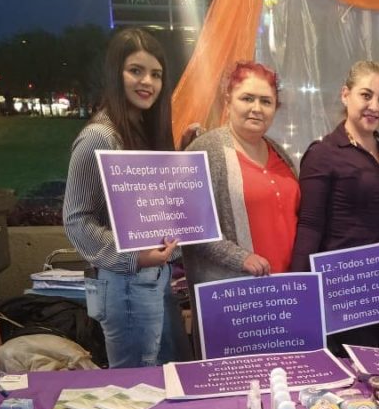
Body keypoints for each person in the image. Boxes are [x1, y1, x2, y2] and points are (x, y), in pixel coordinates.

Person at [63, 28, 186, 368]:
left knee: (168, 376)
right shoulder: (99, 138)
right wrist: (135, 256)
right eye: (135, 70)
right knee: (138, 386)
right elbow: (77, 220)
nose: (147, 82)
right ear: (115, 74)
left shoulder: (145, 133)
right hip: (126, 283)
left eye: (156, 74)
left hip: (158, 278)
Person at [181, 61, 300, 358]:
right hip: (235, 300)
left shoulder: (280, 152)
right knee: (238, 381)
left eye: (266, 101)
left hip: (284, 294)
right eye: (247, 98)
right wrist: (240, 257)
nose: (256, 108)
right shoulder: (204, 150)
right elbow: (188, 225)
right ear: (228, 100)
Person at [291, 60, 379, 354]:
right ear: (345, 95)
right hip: (342, 288)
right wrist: (299, 291)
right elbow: (310, 225)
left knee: (374, 365)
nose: (375, 107)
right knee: (347, 366)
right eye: (366, 95)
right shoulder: (323, 153)